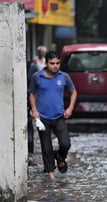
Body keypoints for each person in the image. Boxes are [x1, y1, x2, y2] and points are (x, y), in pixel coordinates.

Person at [28, 51, 77, 179]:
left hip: (59, 116)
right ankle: (51, 174)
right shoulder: (36, 77)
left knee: (65, 143)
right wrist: (34, 110)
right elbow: (31, 94)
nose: (55, 66)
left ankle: (60, 158)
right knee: (46, 147)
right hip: (42, 117)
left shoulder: (64, 77)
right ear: (46, 63)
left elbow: (73, 92)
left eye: (57, 63)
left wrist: (70, 108)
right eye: (52, 63)